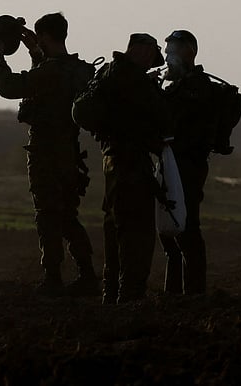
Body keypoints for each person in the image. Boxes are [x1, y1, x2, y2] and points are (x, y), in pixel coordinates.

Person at [0, 12, 99, 296]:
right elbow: (48, 78)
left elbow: (10, 86)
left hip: (46, 152)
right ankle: (87, 273)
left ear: (45, 36)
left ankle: (52, 278)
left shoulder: (51, 71)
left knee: (48, 214)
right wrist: (36, 54)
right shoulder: (80, 69)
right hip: (70, 152)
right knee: (68, 216)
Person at [91, 33, 171, 304]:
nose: (151, 63)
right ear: (139, 51)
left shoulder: (107, 73)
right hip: (132, 163)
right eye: (150, 56)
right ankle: (130, 295)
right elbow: (161, 116)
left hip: (111, 160)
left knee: (114, 228)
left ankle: (110, 292)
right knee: (137, 233)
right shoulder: (135, 81)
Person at [159, 29, 215, 295]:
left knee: (187, 226)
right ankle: (174, 292)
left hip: (189, 165)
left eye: (174, 49)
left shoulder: (198, 88)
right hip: (172, 163)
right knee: (170, 229)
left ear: (190, 51)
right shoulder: (176, 86)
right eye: (168, 49)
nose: (169, 55)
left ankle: (194, 292)